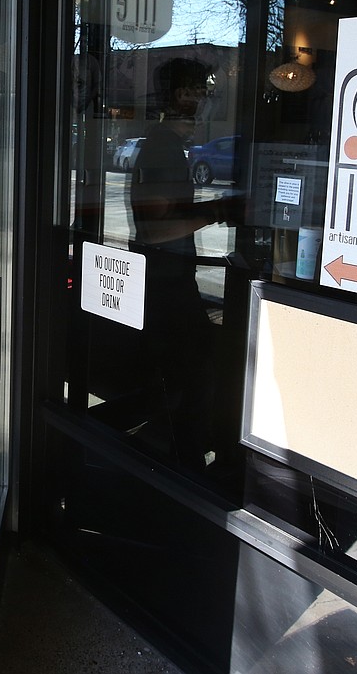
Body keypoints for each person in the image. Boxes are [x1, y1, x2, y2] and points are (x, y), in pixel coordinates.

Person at [127, 57, 234, 471]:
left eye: (202, 94)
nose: (200, 103)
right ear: (175, 97)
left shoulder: (164, 146)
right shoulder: (163, 149)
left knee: (182, 369)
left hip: (165, 278)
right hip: (166, 280)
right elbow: (155, 230)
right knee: (196, 370)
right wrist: (218, 210)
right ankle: (185, 461)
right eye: (193, 93)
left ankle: (177, 452)